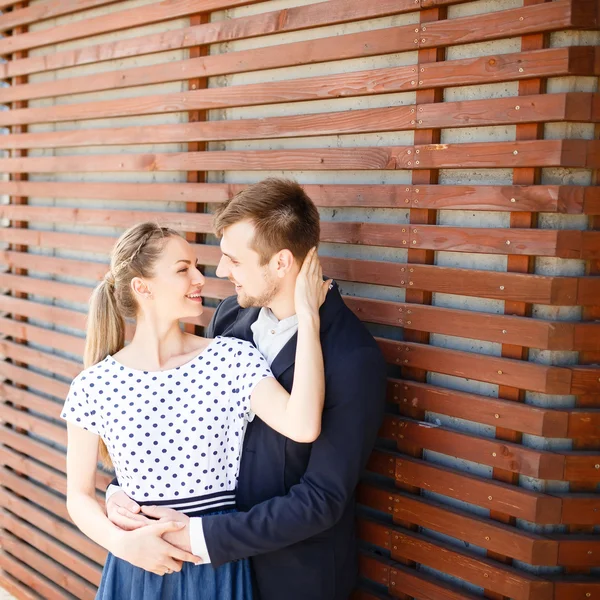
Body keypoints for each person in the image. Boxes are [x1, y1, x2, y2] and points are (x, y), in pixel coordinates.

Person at [107, 179, 388, 600]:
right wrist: (129, 493)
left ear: (280, 263)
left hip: (291, 579)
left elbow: (321, 500)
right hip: (210, 579)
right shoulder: (228, 320)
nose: (220, 273)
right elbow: (181, 421)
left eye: (233, 260)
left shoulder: (352, 357)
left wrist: (198, 536)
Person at [62, 221, 330, 600]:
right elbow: (78, 495)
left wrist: (308, 318)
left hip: (215, 568)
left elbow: (302, 425)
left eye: (197, 266)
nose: (200, 279)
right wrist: (124, 545)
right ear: (143, 287)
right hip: (137, 571)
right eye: (183, 269)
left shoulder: (230, 359)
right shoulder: (93, 386)